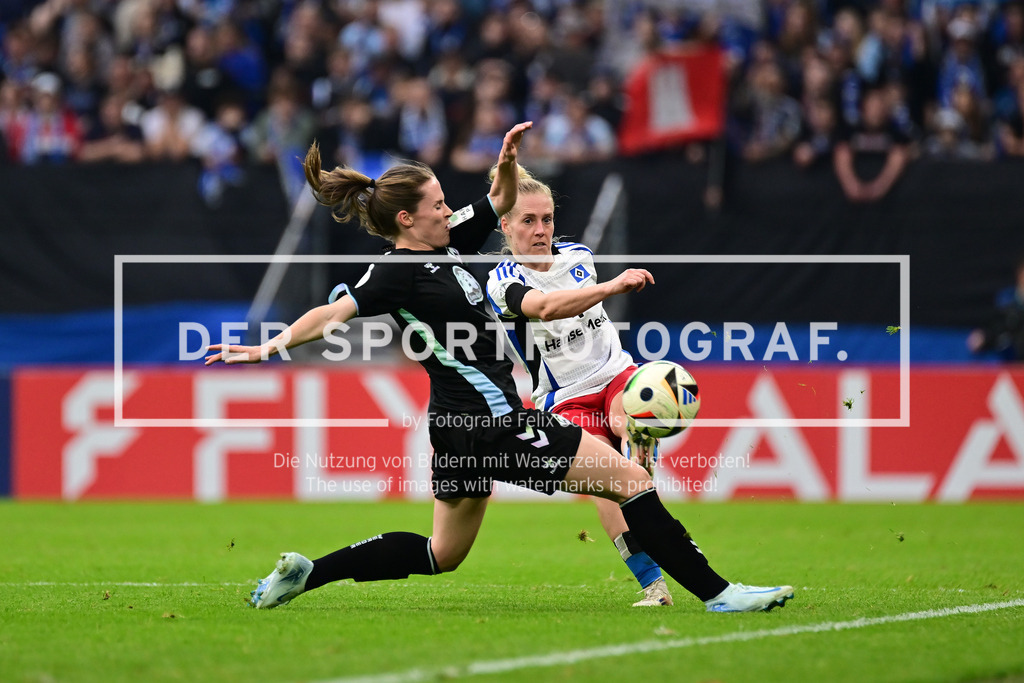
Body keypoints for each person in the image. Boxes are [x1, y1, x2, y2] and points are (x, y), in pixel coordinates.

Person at [204, 121, 794, 614]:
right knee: (632, 482)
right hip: (493, 423)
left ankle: (309, 573)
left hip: (456, 429)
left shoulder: (452, 242)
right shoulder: (395, 272)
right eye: (437, 203)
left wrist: (507, 160)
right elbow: (333, 312)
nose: (448, 208)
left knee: (442, 554)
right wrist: (269, 346)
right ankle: (719, 594)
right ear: (408, 220)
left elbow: (500, 201)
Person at [484, 166, 673, 607]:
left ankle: (644, 464)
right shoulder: (501, 282)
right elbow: (546, 308)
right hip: (562, 395)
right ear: (505, 225)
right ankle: (654, 583)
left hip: (614, 374)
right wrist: (613, 285)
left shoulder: (578, 256)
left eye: (547, 219)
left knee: (626, 422)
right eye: (528, 221)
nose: (541, 229)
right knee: (606, 483)